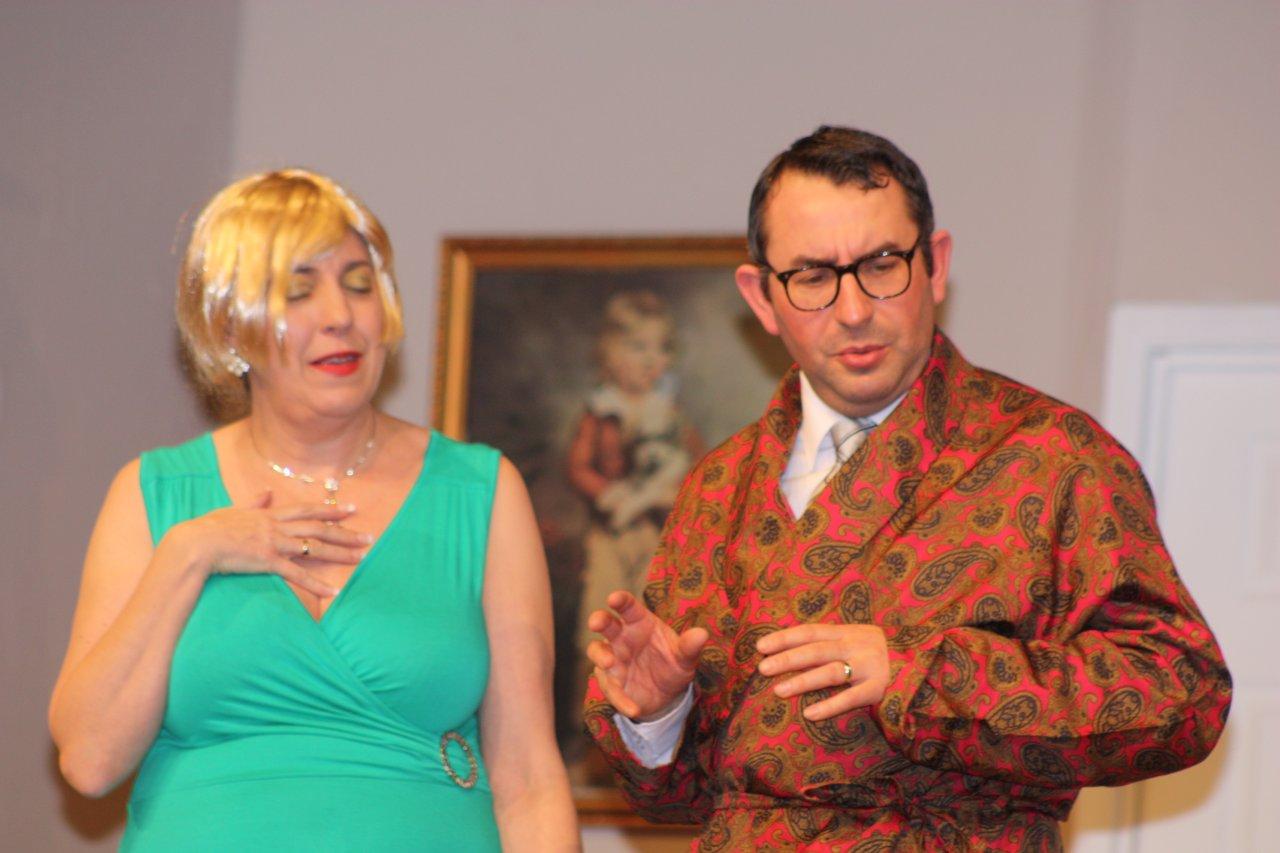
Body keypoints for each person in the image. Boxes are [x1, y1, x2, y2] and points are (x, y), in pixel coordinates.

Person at [583, 127, 1231, 850]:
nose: (854, 309)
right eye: (813, 276)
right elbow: (674, 796)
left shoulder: (1051, 455)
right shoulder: (720, 484)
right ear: (762, 298)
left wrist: (925, 676)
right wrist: (658, 713)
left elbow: (1184, 694)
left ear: (935, 264)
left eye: (881, 265)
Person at [48, 169, 578, 851]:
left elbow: (530, 779)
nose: (341, 315)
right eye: (299, 290)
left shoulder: (480, 490)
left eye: (359, 284)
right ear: (229, 326)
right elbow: (89, 760)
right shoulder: (153, 493)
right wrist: (191, 553)